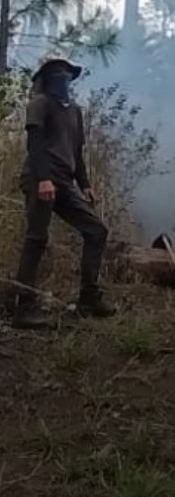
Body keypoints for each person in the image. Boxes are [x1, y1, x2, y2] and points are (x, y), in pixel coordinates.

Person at [9, 57, 113, 329]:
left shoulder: (74, 111)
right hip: (40, 178)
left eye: (67, 75)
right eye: (58, 75)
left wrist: (86, 184)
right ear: (47, 79)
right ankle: (24, 307)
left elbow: (76, 152)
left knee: (96, 231)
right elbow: (35, 142)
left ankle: (89, 298)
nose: (63, 79)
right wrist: (43, 178)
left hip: (65, 183)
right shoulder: (40, 104)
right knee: (37, 239)